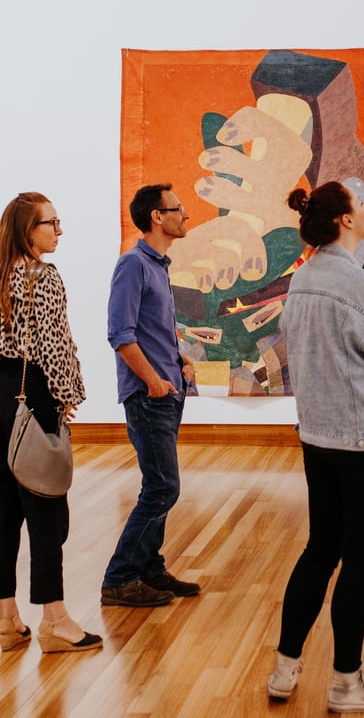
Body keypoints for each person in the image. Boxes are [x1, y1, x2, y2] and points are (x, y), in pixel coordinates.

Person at [267, 182, 364, 713]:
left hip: (318, 437)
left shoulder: (304, 279)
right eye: (361, 205)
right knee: (359, 562)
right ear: (345, 221)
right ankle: (346, 683)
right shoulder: (361, 287)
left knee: (320, 549)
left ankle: (285, 669)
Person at [0, 192, 102, 653]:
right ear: (28, 229)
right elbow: (53, 347)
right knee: (47, 512)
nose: (59, 231)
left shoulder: (1, 275)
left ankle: (5, 620)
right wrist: (67, 397)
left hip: (0, 402)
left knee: (3, 515)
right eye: (51, 223)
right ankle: (55, 620)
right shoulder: (43, 277)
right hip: (33, 399)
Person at [101, 184, 200, 607]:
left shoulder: (158, 265)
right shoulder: (133, 265)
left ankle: (150, 570)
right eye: (178, 209)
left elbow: (152, 329)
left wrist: (179, 361)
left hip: (166, 393)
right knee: (162, 487)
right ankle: (119, 578)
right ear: (157, 217)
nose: (185, 216)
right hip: (148, 396)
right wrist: (153, 381)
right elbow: (121, 335)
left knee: (158, 484)